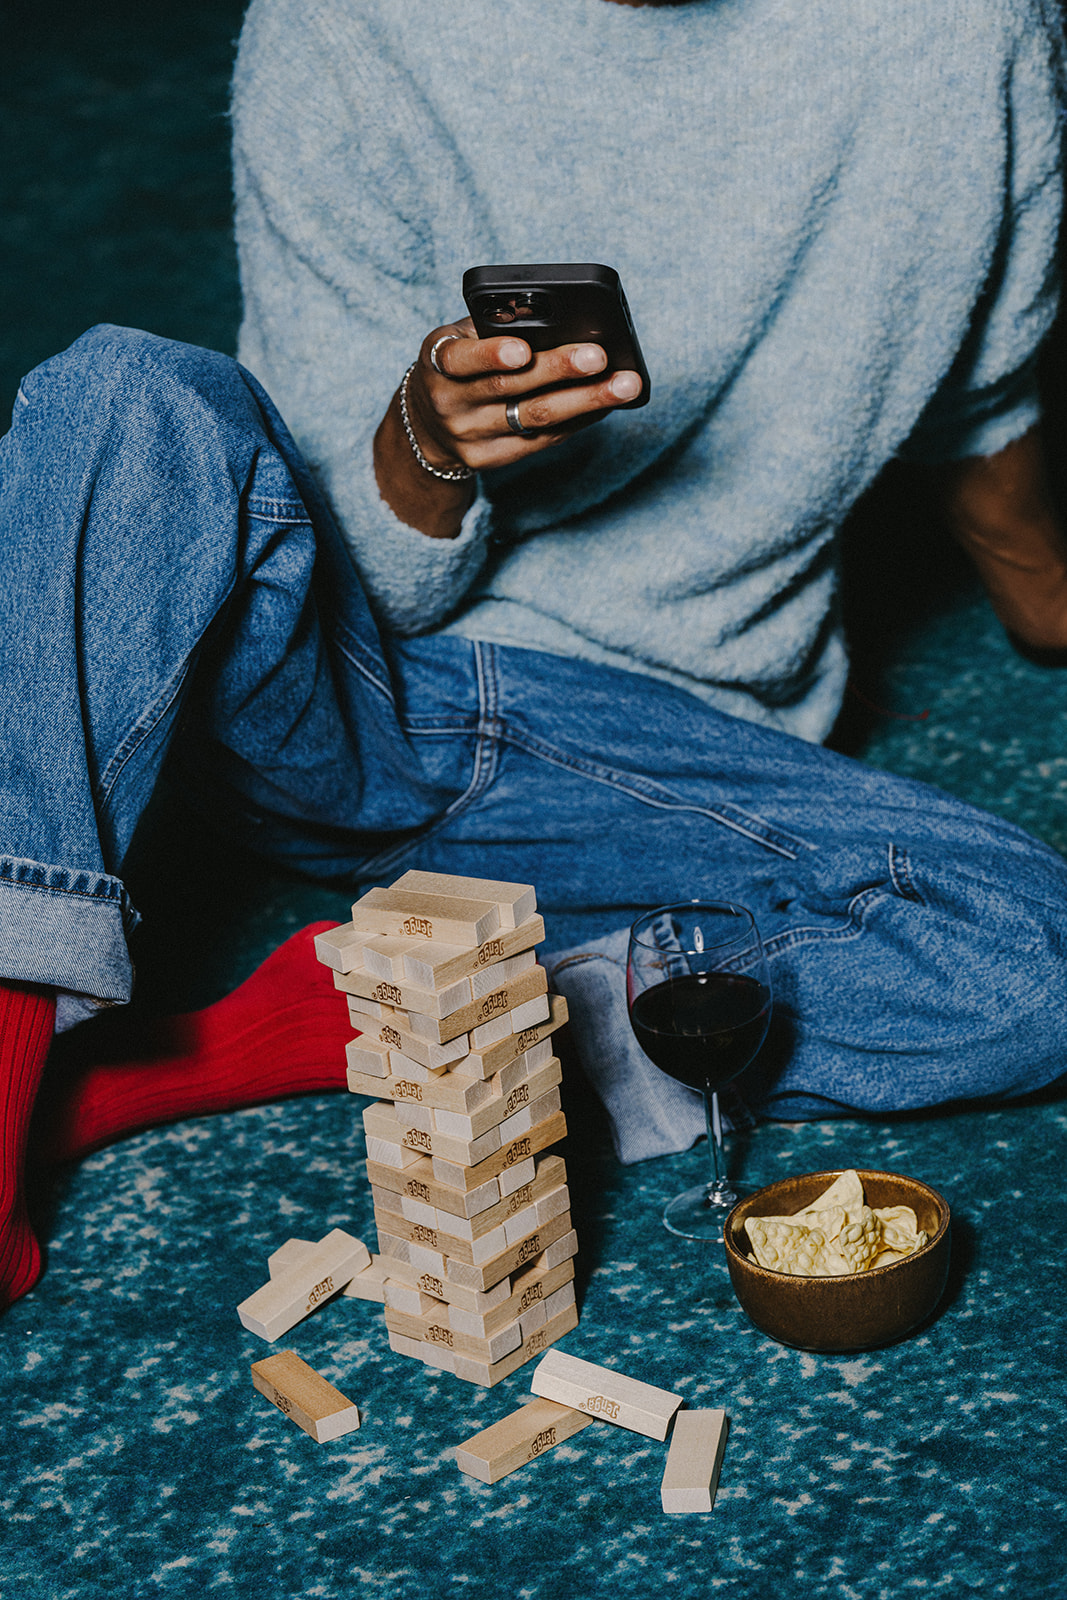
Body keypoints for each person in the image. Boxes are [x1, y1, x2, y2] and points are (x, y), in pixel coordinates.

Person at [2, 0, 1066, 1308]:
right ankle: (6, 1048)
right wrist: (430, 443)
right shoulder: (345, 25)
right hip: (352, 685)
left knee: (1030, 955)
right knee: (124, 394)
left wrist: (1039, 585)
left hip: (646, 755)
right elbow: (320, 521)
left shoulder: (966, 32)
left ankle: (418, 1018)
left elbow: (988, 386)